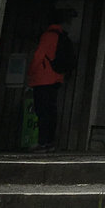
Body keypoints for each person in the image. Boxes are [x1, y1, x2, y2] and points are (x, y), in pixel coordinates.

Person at [26, 14, 70, 152]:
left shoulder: (47, 36)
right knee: (51, 111)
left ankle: (42, 142)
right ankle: (50, 142)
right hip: (57, 78)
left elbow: (39, 56)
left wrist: (30, 73)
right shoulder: (62, 36)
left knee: (42, 111)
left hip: (43, 79)